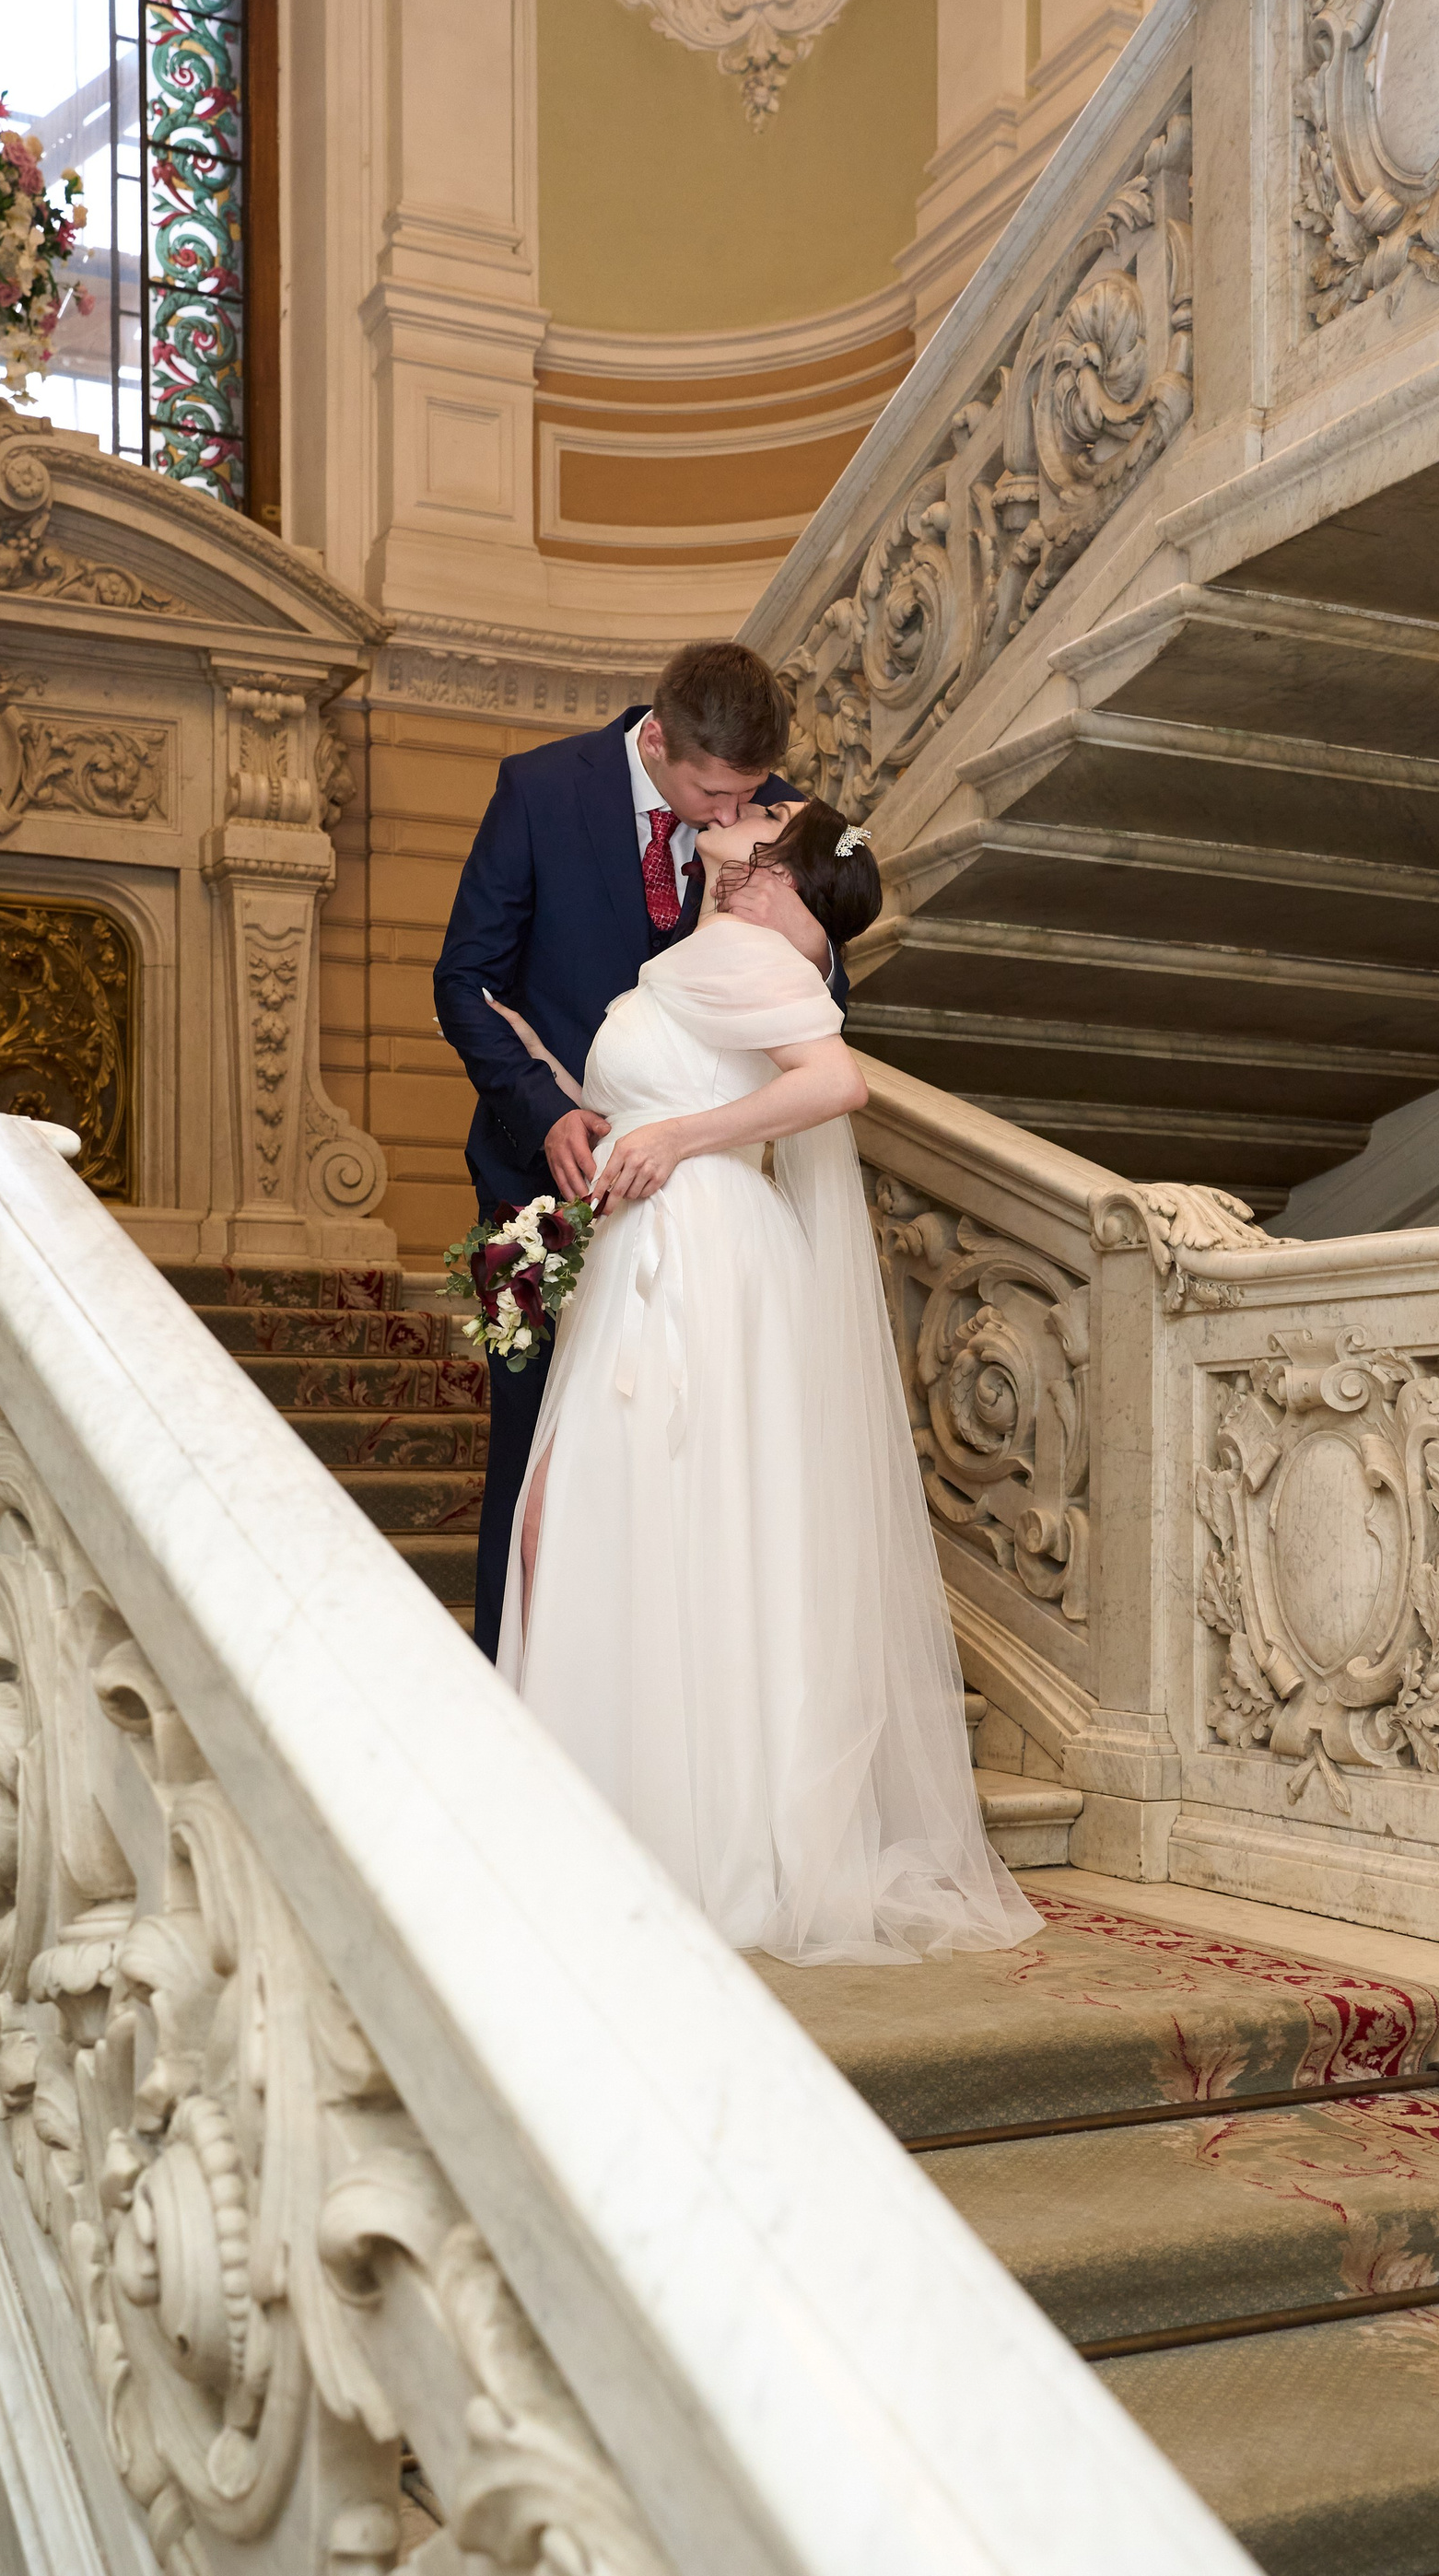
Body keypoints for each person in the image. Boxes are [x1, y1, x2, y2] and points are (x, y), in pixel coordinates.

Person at [493, 798, 1040, 1966]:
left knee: (627, 1523)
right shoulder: (718, 949)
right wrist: (590, 1106)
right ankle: (650, 1828)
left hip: (696, 1260)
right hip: (660, 1248)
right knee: (626, 1529)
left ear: (783, 870)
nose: (742, 809)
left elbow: (834, 1084)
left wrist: (678, 1137)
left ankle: (677, 1845)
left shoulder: (752, 952)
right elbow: (697, 1083)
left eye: (768, 813)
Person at [434, 641, 843, 1660]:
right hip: (538, 1190)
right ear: (657, 741)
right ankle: (512, 1697)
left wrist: (810, 937)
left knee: (684, 1475)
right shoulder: (538, 790)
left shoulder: (770, 818)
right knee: (534, 1465)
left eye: (747, 792)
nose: (732, 812)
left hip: (696, 1220)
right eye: (713, 793)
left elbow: (822, 997)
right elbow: (464, 981)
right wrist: (546, 1111)